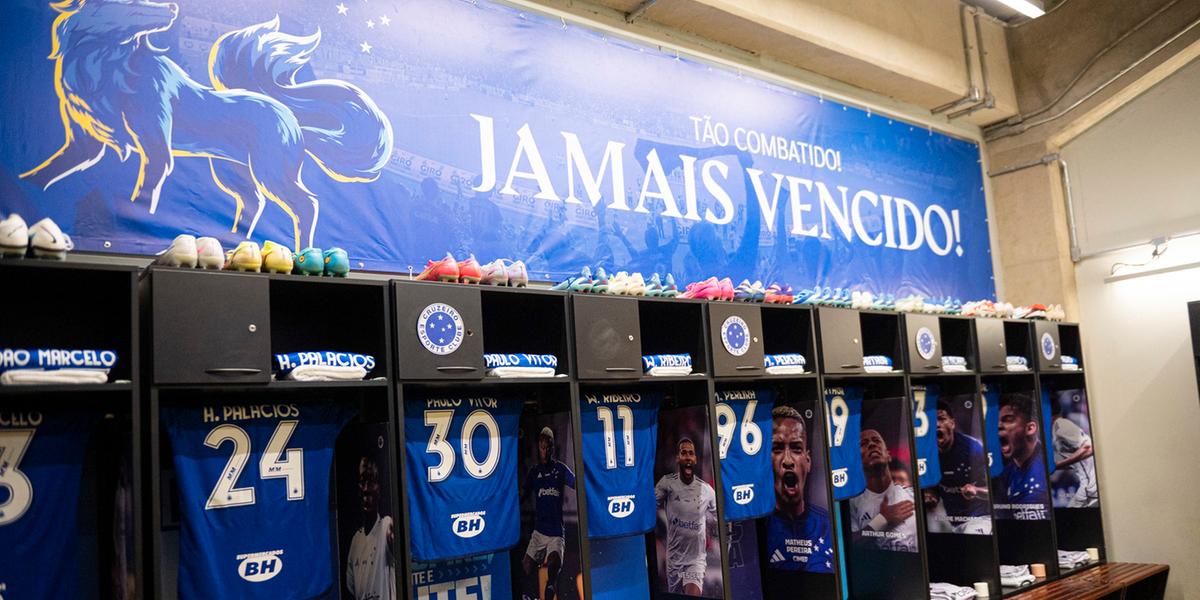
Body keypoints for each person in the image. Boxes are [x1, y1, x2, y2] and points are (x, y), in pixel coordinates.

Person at [764, 406, 833, 573]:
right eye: (777, 449)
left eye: (796, 448)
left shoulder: (827, 526)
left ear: (808, 461)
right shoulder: (758, 529)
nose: (788, 460)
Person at [655, 438, 718, 596]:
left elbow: (722, 517)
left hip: (695, 561)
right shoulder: (666, 484)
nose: (688, 457)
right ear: (678, 458)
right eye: (684, 453)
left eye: (691, 453)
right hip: (674, 561)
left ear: (695, 459)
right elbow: (649, 509)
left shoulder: (707, 490)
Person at [521, 427, 577, 600]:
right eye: (542, 447)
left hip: (556, 534)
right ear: (539, 447)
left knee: (553, 566)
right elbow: (522, 494)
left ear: (553, 448)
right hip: (539, 531)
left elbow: (578, 484)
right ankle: (529, 596)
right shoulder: (534, 472)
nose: (545, 450)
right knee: (526, 567)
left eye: (548, 447)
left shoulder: (561, 469)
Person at [925, 401, 991, 534]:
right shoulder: (926, 454)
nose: (937, 424)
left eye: (941, 419)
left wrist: (976, 490)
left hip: (980, 518)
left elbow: (994, 492)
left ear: (952, 423)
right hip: (953, 522)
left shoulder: (973, 450)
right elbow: (934, 490)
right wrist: (931, 496)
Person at [849, 429, 918, 551]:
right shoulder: (852, 505)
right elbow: (848, 544)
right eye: (863, 443)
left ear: (888, 455)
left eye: (876, 441)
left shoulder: (913, 495)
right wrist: (882, 519)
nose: (872, 444)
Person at [346, 455, 396, 600]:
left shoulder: (385, 525)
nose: (366, 489)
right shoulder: (355, 540)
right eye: (363, 481)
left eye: (372, 481)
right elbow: (351, 588)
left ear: (379, 489)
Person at [997, 393, 1049, 520]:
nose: (998, 426)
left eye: (1008, 419)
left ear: (1030, 428)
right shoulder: (1008, 470)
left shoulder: (1045, 472)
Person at [1050, 398, 1098, 508]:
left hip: (1090, 486)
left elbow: (1089, 447)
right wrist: (1059, 466)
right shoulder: (1059, 427)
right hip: (1089, 484)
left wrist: (1059, 464)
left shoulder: (1062, 426)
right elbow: (1080, 459)